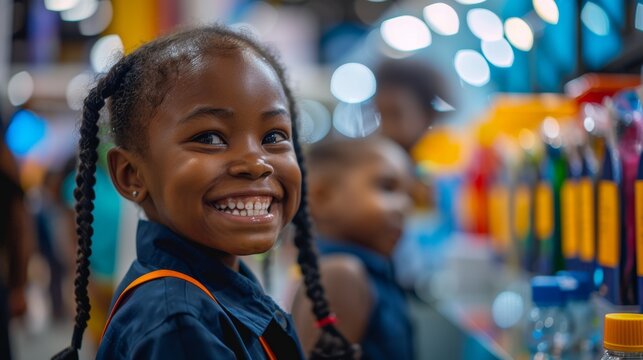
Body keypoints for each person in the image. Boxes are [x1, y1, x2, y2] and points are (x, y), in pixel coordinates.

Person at [52, 25, 357, 360]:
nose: (257, 163)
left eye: (273, 136)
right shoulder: (178, 326)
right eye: (210, 138)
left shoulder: (216, 289)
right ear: (131, 175)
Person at [291, 136, 415, 360]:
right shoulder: (341, 274)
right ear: (323, 197)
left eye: (409, 194)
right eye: (387, 187)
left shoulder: (368, 271)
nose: (405, 206)